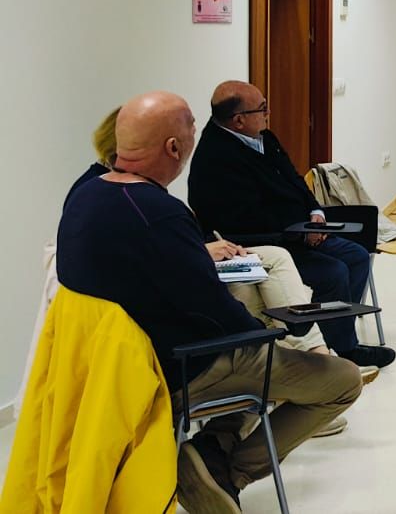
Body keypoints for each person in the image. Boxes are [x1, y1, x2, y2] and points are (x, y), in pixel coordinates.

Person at [57, 92, 361, 514]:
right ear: (173, 148)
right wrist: (269, 335)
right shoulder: (160, 213)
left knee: (258, 357)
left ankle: (212, 451)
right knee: (339, 379)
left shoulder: (86, 197)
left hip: (110, 370)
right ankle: (229, 470)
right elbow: (215, 313)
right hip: (180, 367)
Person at [187, 81, 394, 368]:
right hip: (266, 244)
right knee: (333, 272)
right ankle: (335, 354)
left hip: (301, 232)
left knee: (357, 256)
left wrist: (316, 214)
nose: (268, 113)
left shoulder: (264, 138)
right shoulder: (215, 160)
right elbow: (243, 219)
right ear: (238, 120)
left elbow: (295, 180)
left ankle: (341, 340)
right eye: (262, 108)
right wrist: (300, 233)